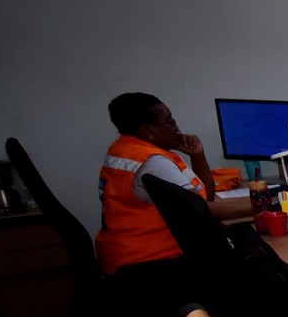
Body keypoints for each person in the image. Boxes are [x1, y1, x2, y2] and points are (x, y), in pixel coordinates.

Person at [95, 92, 251, 277]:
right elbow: (201, 209)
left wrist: (197, 155)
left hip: (121, 257)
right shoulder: (152, 161)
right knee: (248, 262)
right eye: (170, 122)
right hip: (149, 263)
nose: (177, 129)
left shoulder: (123, 148)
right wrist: (270, 203)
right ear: (146, 130)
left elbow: (204, 198)